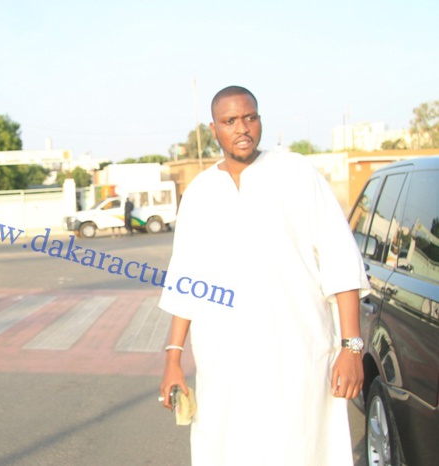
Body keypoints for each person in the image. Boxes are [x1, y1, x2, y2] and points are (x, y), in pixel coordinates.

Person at [158, 86, 370, 465]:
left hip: (298, 358)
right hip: (224, 365)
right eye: (230, 121)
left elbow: (341, 262)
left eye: (250, 118)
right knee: (228, 452)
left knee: (301, 450)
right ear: (214, 129)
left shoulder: (297, 173)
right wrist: (173, 358)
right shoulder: (200, 193)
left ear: (260, 120)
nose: (242, 128)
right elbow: (186, 280)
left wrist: (351, 348)